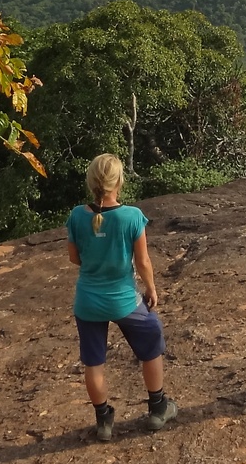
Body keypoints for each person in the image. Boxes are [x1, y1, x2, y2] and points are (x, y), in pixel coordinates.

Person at [66, 152, 178, 441]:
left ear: (92, 182)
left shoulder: (77, 215)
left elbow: (74, 258)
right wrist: (151, 289)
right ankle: (157, 408)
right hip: (124, 299)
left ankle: (104, 421)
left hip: (88, 301)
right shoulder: (131, 217)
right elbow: (143, 263)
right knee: (152, 340)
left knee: (94, 362)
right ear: (120, 182)